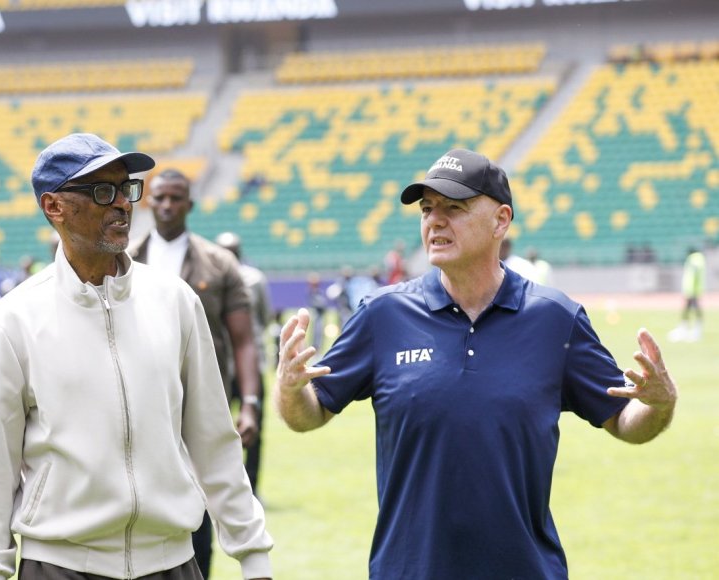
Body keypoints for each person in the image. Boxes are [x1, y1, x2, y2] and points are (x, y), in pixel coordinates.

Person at [274, 148, 678, 579]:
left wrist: (659, 404)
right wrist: (289, 388)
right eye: (427, 209)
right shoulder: (382, 314)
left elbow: (623, 420)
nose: (434, 220)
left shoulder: (556, 319)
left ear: (501, 220)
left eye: (454, 207)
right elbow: (310, 414)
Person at [0, 134, 272, 580]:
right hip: (60, 568)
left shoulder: (176, 301)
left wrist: (254, 557)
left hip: (173, 564)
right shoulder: (12, 322)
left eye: (126, 189)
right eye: (103, 192)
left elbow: (214, 441)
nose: (123, 205)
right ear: (54, 207)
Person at [131, 169, 262, 578]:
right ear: (148, 203)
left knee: (200, 516)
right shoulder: (126, 260)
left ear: (190, 203)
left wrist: (251, 403)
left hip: (202, 409)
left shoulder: (219, 263)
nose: (167, 205)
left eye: (176, 197)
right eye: (160, 197)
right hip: (140, 410)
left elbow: (243, 339)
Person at [215, 231, 273, 496]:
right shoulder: (215, 278)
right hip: (219, 367)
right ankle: (228, 485)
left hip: (248, 365)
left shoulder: (254, 279)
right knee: (216, 429)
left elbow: (263, 317)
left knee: (254, 428)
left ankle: (251, 487)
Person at [669, 245, 706, 342]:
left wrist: (689, 290)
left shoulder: (694, 259)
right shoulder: (700, 259)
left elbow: (693, 274)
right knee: (690, 309)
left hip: (691, 290)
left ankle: (690, 330)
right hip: (694, 289)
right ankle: (690, 329)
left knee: (690, 309)